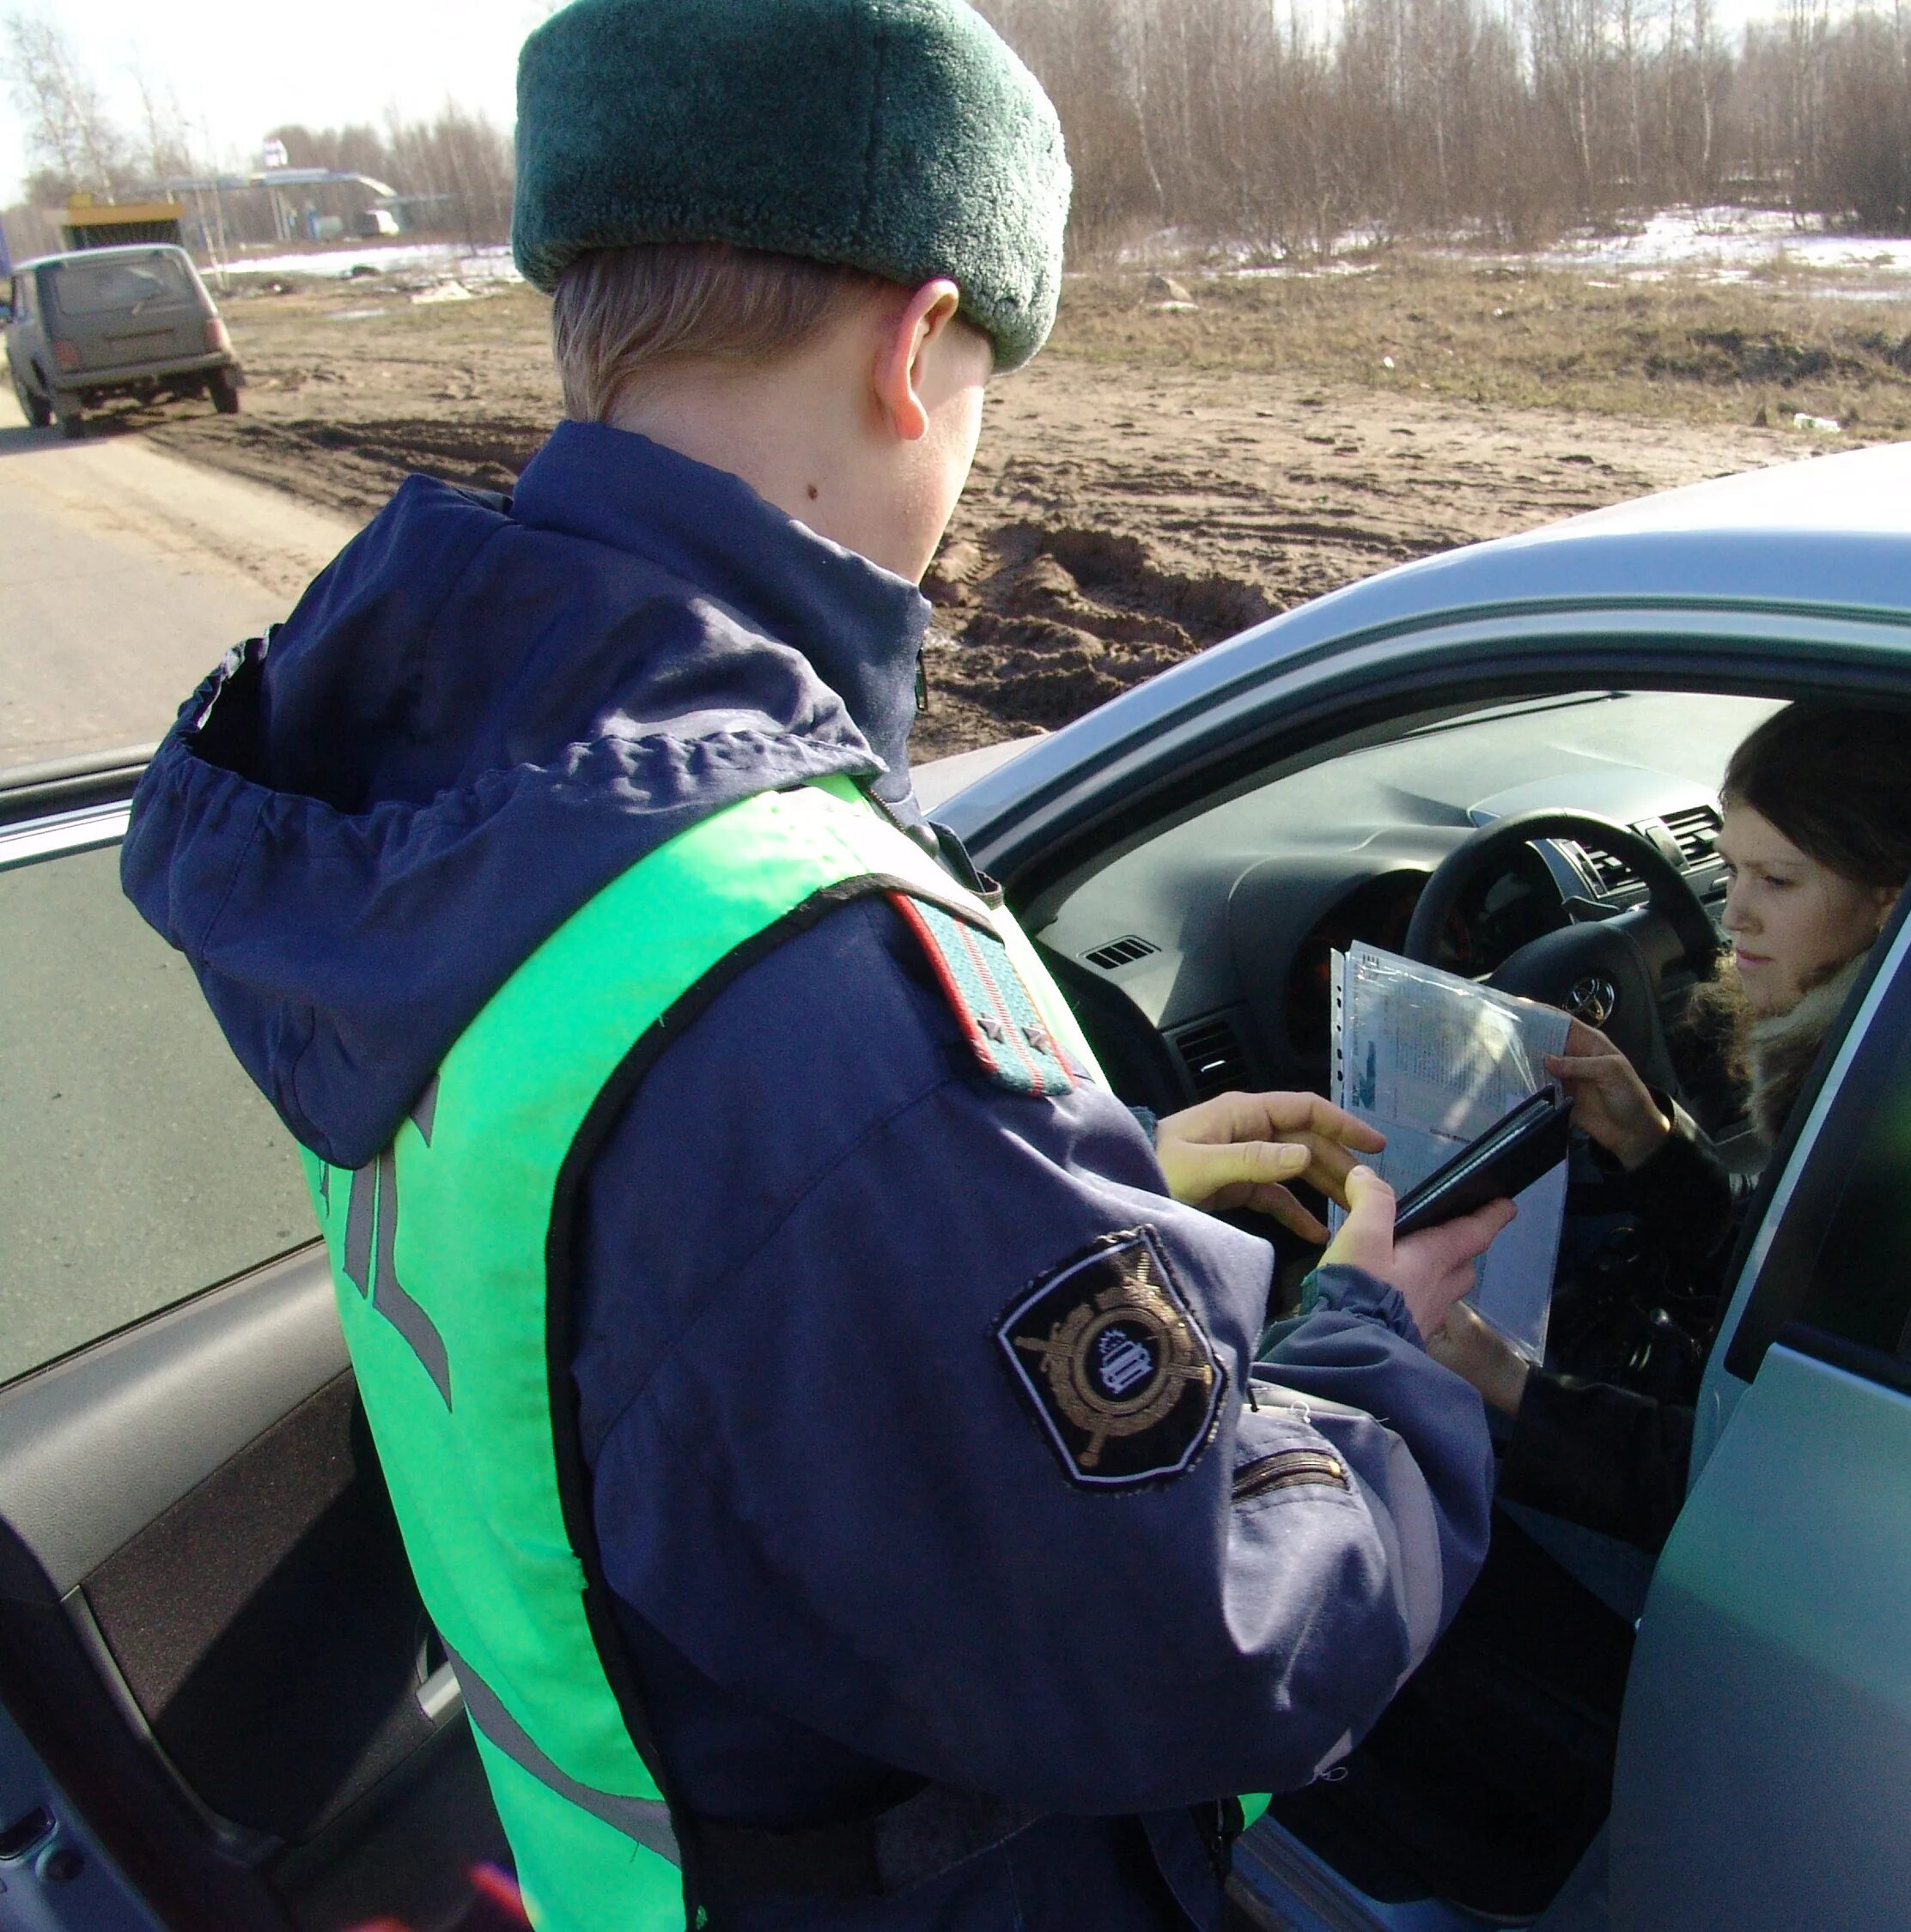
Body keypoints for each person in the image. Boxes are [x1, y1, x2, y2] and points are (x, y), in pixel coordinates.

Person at [119, 3, 1511, 1927]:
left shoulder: (437, 787)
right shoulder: (803, 974)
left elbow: (665, 1279)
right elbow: (1207, 1634)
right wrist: (1379, 1336)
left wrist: (1062, 1201)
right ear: (914, 346)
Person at [1432, 702, 1911, 1547]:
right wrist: (1651, 1142)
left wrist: (1504, 1379)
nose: (1734, 914)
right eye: (1732, 870)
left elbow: (1773, 1483)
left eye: (1779, 881)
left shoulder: (1906, 1135)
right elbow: (1791, 1271)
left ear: (1890, 901)